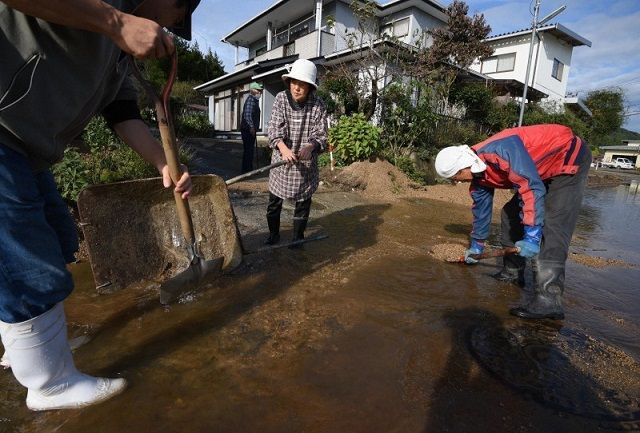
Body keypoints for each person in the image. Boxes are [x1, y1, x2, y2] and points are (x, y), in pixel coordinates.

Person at [0, 0, 200, 411]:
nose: (170, 27)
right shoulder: (112, 15)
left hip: (27, 148)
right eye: (177, 17)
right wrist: (115, 21)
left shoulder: (119, 55)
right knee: (26, 262)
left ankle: (24, 344)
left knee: (57, 237)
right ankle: (49, 384)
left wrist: (163, 162)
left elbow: (122, 112)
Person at [434, 124, 591, 320]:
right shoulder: (477, 177)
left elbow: (530, 188)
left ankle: (549, 299)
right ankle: (513, 270)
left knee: (553, 223)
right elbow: (481, 212)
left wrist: (532, 236)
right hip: (539, 169)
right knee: (509, 214)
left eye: (455, 176)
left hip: (566, 157)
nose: (456, 181)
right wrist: (477, 246)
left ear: (464, 166)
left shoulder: (501, 151)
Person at [264, 59, 327, 246]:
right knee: (274, 202)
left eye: (302, 84)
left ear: (310, 87)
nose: (297, 88)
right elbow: (274, 130)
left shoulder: (318, 105)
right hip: (282, 162)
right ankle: (273, 235)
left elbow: (321, 134)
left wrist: (311, 146)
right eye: (294, 82)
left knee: (303, 204)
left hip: (305, 164)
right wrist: (283, 149)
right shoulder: (281, 99)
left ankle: (298, 238)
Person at [240, 82, 263, 173]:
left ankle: (247, 169)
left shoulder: (254, 101)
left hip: (249, 129)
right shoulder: (251, 100)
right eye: (258, 90)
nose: (260, 92)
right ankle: (247, 171)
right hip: (248, 130)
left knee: (249, 150)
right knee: (248, 150)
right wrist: (252, 127)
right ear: (252, 90)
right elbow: (247, 115)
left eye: (260, 91)